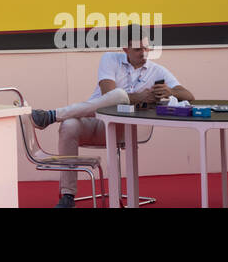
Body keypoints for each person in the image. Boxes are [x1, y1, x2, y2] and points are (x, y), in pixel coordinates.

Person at [32, 28, 194, 208]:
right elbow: (109, 95)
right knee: (69, 125)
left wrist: (170, 91)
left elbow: (189, 96)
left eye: (147, 48)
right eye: (138, 49)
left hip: (122, 128)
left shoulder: (157, 71)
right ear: (125, 49)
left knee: (117, 95)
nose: (144, 53)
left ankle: (52, 115)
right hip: (93, 120)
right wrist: (140, 97)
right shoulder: (109, 58)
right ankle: (67, 196)